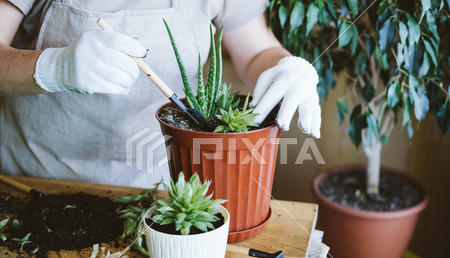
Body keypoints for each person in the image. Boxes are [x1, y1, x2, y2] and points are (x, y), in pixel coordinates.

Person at [0, 0, 321, 187]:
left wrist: (285, 66)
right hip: (34, 182)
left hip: (162, 187)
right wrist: (54, 67)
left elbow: (255, 51)